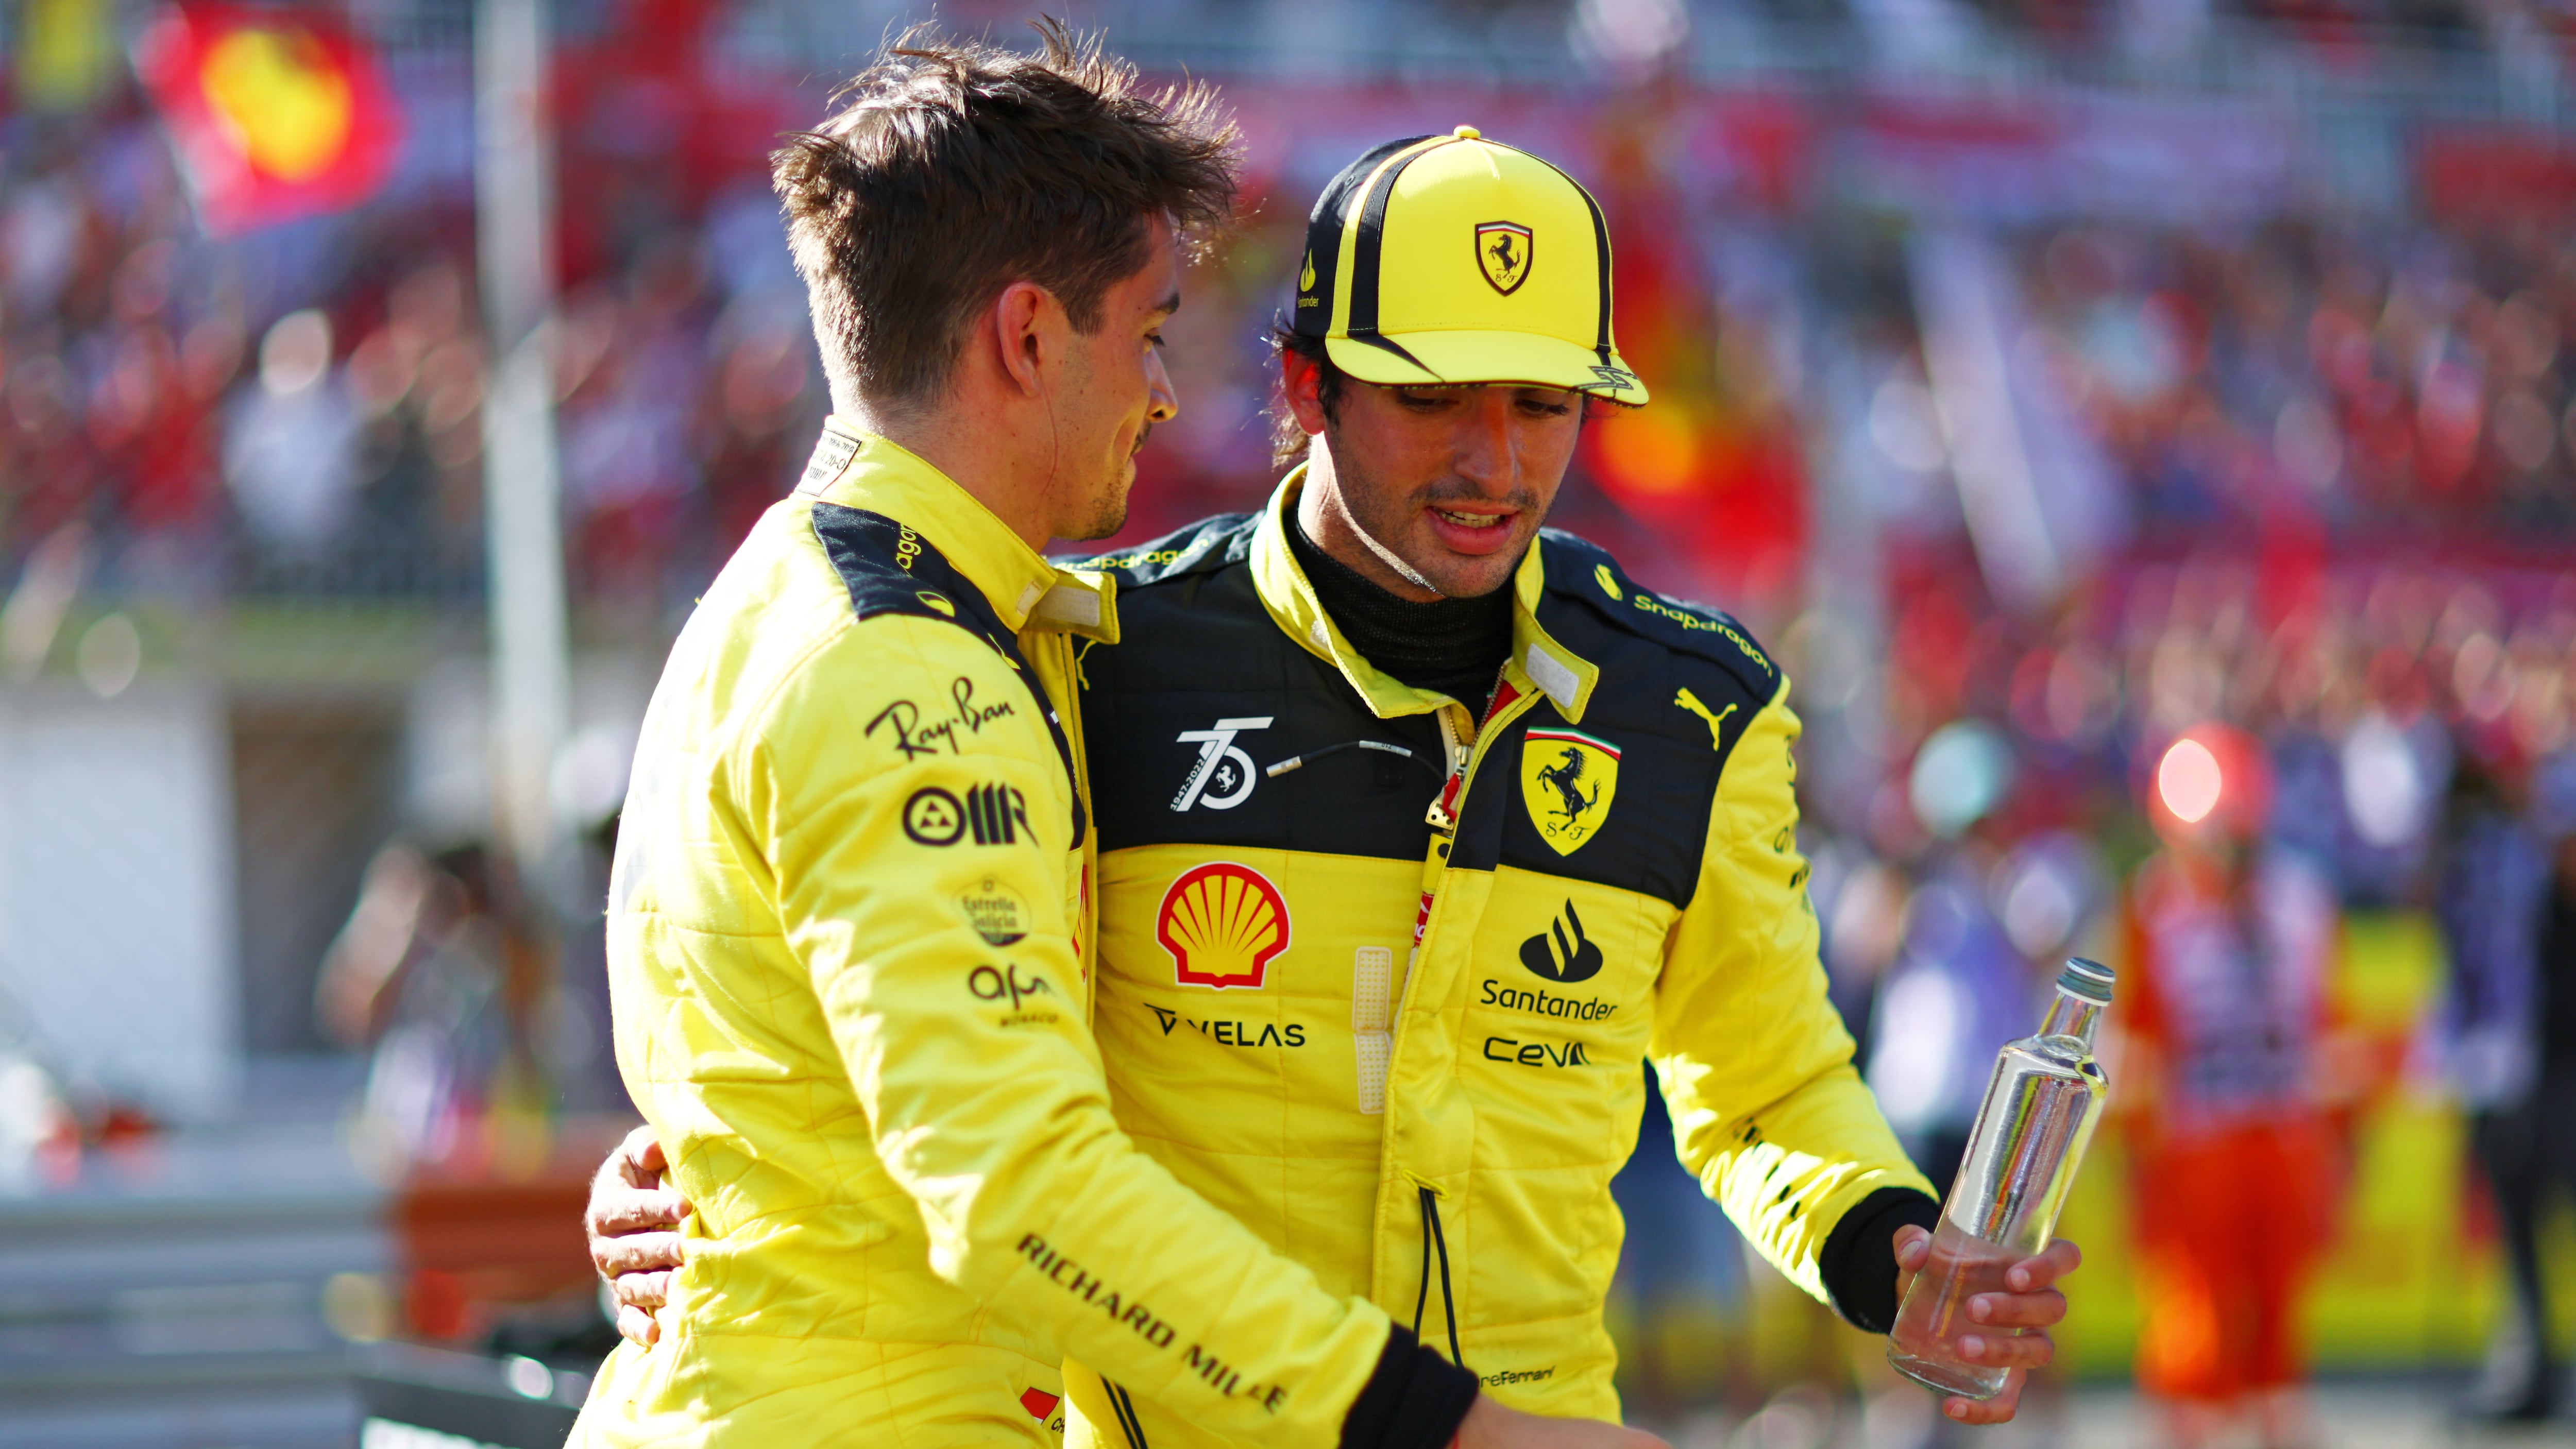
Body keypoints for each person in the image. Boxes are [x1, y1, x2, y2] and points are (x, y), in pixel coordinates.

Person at [590, 124, 2083, 1444]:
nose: (1496, 462)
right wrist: (705, 1183)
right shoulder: (1082, 656)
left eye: (1548, 404)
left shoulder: (1693, 704)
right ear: (1309, 386)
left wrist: (1892, 1254)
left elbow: (1763, 1085)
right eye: (1438, 402)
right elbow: (934, 1061)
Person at [570, 29, 1651, 1449]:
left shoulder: (797, 588)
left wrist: (689, 1180)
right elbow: (1016, 1182)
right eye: (1147, 331)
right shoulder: (912, 672)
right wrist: (1453, 1426)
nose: (1163, 391)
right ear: (1027, 336)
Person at [2120, 725, 2339, 1449]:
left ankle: (2278, 1425)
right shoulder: (2154, 909)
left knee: (2279, 1312)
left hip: (2282, 1133)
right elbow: (2136, 1043)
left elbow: (2330, 1024)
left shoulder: (2300, 902)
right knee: (2196, 1318)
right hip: (2197, 1140)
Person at [2442, 755, 2574, 1420]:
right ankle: (2533, 1371)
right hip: (2524, 1092)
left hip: (2555, 1092)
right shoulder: (2517, 887)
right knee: (2520, 1241)